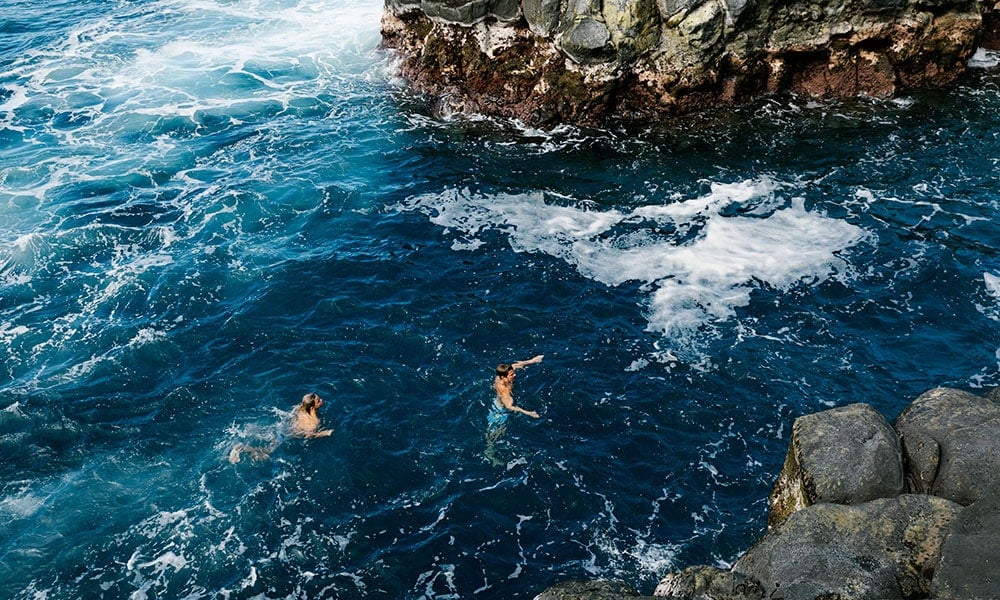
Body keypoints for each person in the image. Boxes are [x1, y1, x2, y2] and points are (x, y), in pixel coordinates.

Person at [229, 392, 332, 463]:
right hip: (286, 434)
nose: (321, 400)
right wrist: (323, 433)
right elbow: (308, 435)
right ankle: (242, 448)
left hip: (282, 426)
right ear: (312, 407)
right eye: (318, 400)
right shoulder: (314, 421)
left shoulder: (300, 408)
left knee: (266, 438)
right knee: (267, 452)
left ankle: (244, 446)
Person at [487, 354, 543, 437]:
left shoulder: (500, 376)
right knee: (496, 433)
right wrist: (528, 413)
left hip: (497, 401)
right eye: (511, 375)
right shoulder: (505, 391)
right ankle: (489, 448)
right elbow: (509, 406)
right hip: (500, 411)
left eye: (513, 373)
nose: (515, 375)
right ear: (503, 377)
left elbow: (515, 365)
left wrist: (533, 360)